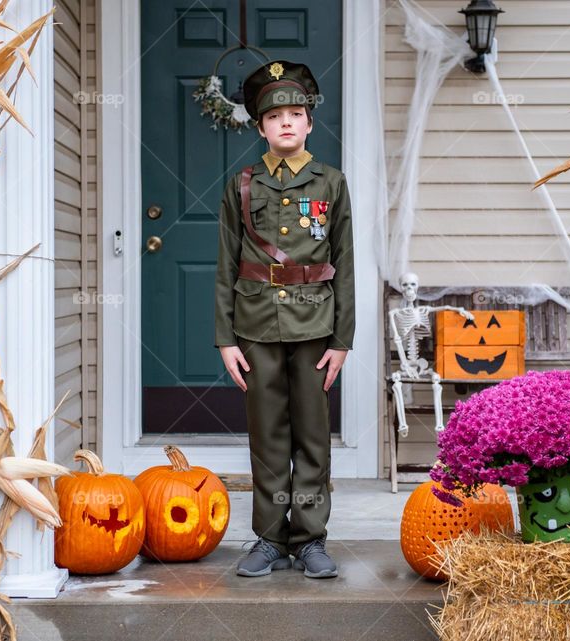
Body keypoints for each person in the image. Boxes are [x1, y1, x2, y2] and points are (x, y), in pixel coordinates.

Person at [213, 59, 355, 579]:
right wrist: (225, 338)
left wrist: (343, 339)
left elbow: (346, 263)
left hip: (316, 327)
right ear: (261, 128)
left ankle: (311, 538)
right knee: (267, 433)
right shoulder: (242, 185)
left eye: (297, 113)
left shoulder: (331, 183)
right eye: (276, 118)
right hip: (256, 325)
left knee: (313, 435)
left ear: (310, 122)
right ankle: (270, 539)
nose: (287, 123)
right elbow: (226, 262)